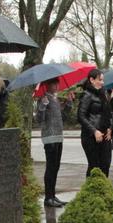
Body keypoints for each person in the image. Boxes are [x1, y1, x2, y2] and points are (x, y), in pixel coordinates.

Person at [37, 78, 73, 208]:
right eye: (53, 83)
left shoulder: (55, 99)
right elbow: (39, 119)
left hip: (58, 136)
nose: (56, 86)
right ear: (47, 85)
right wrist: (43, 106)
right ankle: (48, 197)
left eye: (57, 83)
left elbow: (63, 117)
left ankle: (52, 195)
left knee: (56, 167)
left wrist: (69, 102)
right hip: (49, 137)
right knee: (51, 167)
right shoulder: (43, 99)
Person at [78, 69, 113, 178]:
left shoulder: (104, 94)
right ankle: (91, 187)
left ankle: (103, 187)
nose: (102, 82)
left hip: (105, 134)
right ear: (92, 80)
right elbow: (81, 116)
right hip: (90, 136)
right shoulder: (86, 95)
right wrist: (94, 131)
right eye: (100, 80)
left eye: (103, 80)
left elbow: (109, 113)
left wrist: (110, 128)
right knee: (94, 166)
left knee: (105, 164)